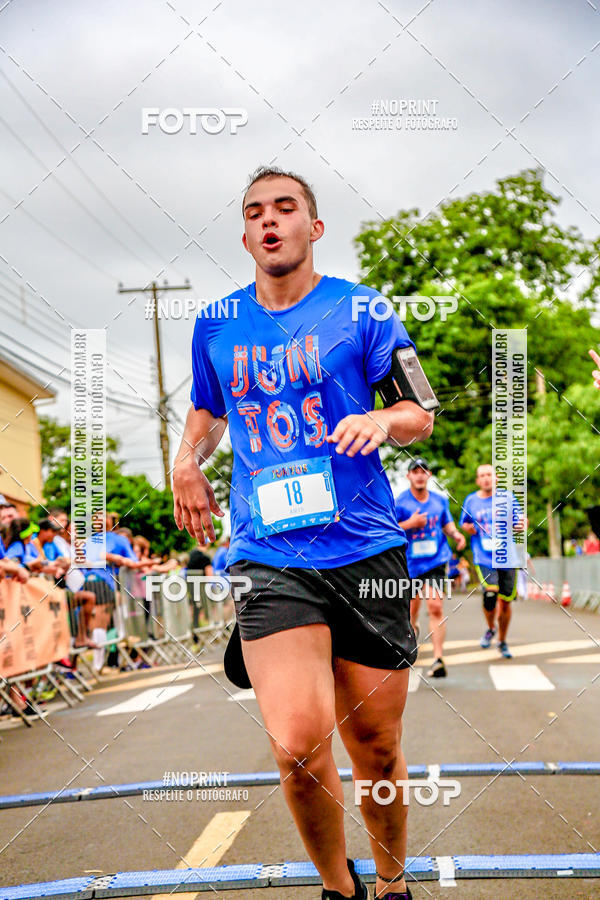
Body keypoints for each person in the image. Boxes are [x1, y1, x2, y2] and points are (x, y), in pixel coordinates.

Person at [172, 165, 436, 900]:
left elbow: (421, 412)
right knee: (296, 744)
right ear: (246, 233)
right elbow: (207, 409)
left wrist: (380, 420)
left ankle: (391, 883)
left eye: (285, 209)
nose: (268, 220)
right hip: (269, 552)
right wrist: (185, 462)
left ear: (313, 229)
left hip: (366, 549)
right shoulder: (219, 323)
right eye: (255, 211)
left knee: (377, 749)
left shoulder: (365, 312)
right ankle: (337, 890)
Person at [394, 458, 466, 678]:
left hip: (436, 560)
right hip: (410, 563)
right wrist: (410, 524)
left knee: (435, 606)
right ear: (408, 476)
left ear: (429, 475)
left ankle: (438, 659)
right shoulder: (400, 502)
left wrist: (455, 534)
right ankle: (413, 630)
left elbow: (446, 523)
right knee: (411, 610)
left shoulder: (439, 501)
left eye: (423, 471)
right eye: (415, 471)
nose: (419, 475)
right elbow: (391, 529)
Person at [460, 464, 527, 659]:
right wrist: (468, 528)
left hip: (507, 558)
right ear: (477, 480)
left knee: (505, 604)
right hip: (484, 557)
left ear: (496, 478)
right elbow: (464, 522)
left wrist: (521, 524)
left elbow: (519, 520)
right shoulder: (471, 500)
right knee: (490, 596)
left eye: (489, 475)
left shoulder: (508, 498)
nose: (486, 478)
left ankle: (502, 640)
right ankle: (490, 628)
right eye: (482, 476)